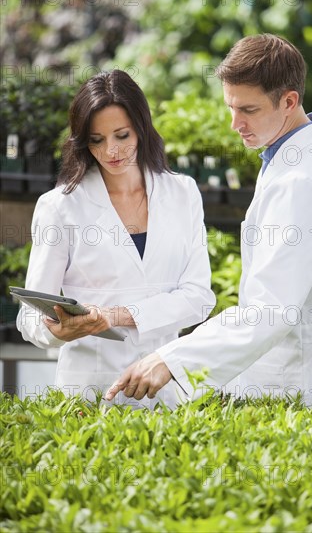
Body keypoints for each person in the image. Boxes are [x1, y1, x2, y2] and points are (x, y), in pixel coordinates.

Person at [105, 34, 312, 409]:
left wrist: (172, 358)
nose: (235, 124)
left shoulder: (300, 181)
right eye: (230, 107)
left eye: (248, 110)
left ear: (289, 101)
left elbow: (269, 311)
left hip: (300, 375)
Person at [17, 69, 215, 408]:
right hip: (88, 393)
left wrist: (117, 315)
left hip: (163, 387)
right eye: (96, 140)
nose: (111, 151)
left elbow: (199, 298)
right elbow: (30, 317)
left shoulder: (182, 193)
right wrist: (56, 331)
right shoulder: (60, 206)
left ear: (141, 126)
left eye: (122, 135)